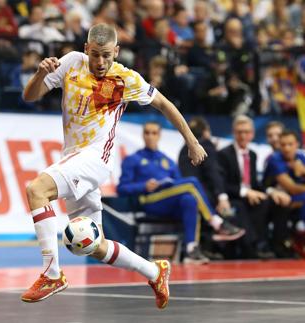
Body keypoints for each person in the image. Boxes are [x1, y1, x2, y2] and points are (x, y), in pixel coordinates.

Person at [20, 23, 208, 307]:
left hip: (95, 159)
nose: (100, 62)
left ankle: (52, 273)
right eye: (95, 54)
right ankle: (154, 271)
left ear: (116, 52)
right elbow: (29, 96)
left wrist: (192, 141)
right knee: (94, 247)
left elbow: (165, 104)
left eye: (107, 55)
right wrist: (41, 73)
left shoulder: (126, 78)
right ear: (86, 49)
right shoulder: (71, 63)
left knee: (37, 190)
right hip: (74, 157)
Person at [118, 121, 245, 264]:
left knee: (189, 199)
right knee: (191, 183)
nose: (150, 136)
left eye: (154, 133)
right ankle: (217, 222)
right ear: (143, 135)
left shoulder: (167, 160)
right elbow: (122, 189)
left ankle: (191, 250)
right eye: (147, 133)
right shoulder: (132, 159)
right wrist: (144, 186)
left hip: (168, 202)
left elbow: (179, 183)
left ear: (159, 135)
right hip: (148, 200)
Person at [217, 115, 290, 259]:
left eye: (246, 132)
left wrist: (271, 191)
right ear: (234, 133)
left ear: (252, 134)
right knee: (242, 206)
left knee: (272, 203)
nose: (243, 135)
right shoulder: (224, 154)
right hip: (233, 197)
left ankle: (277, 245)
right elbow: (222, 184)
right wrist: (245, 192)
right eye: (239, 132)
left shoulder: (253, 154)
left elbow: (256, 184)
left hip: (251, 196)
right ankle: (252, 247)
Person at [265, 130, 305, 257]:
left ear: (297, 144)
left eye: (290, 144)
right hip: (275, 198)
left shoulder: (301, 158)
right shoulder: (275, 159)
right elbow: (291, 187)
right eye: (283, 145)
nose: (287, 148)